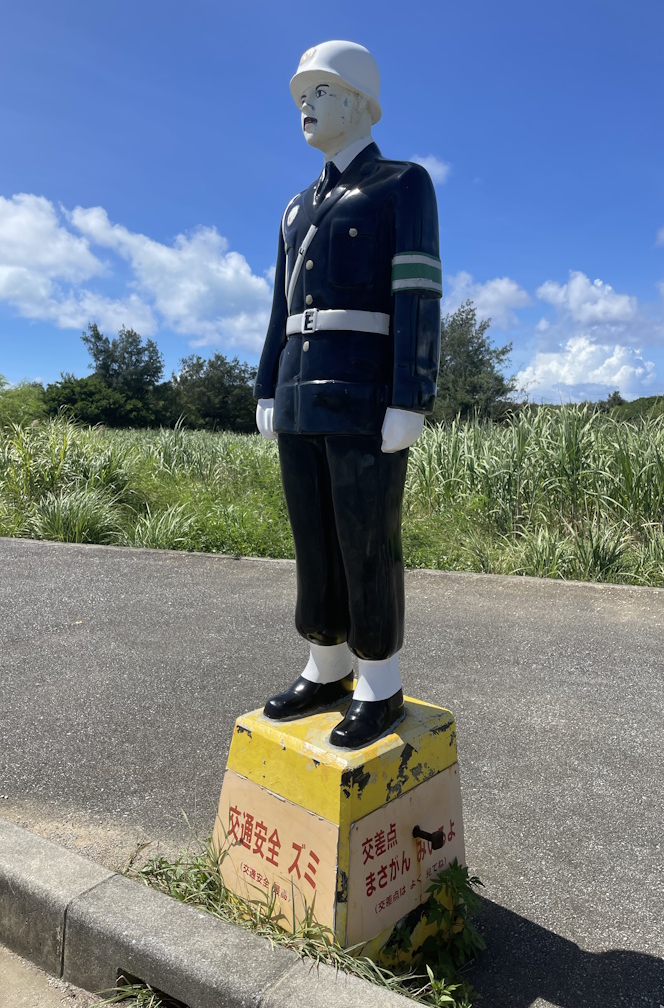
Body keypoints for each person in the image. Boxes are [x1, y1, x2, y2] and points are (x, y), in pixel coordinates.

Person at [254, 40, 441, 748]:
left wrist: (411, 392)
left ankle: (380, 680)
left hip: (366, 391)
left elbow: (418, 292)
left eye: (322, 90)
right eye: (302, 93)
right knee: (312, 536)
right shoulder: (296, 208)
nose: (306, 103)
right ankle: (325, 663)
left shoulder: (402, 184)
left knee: (367, 536)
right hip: (301, 390)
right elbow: (279, 305)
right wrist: (267, 381)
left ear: (361, 102)